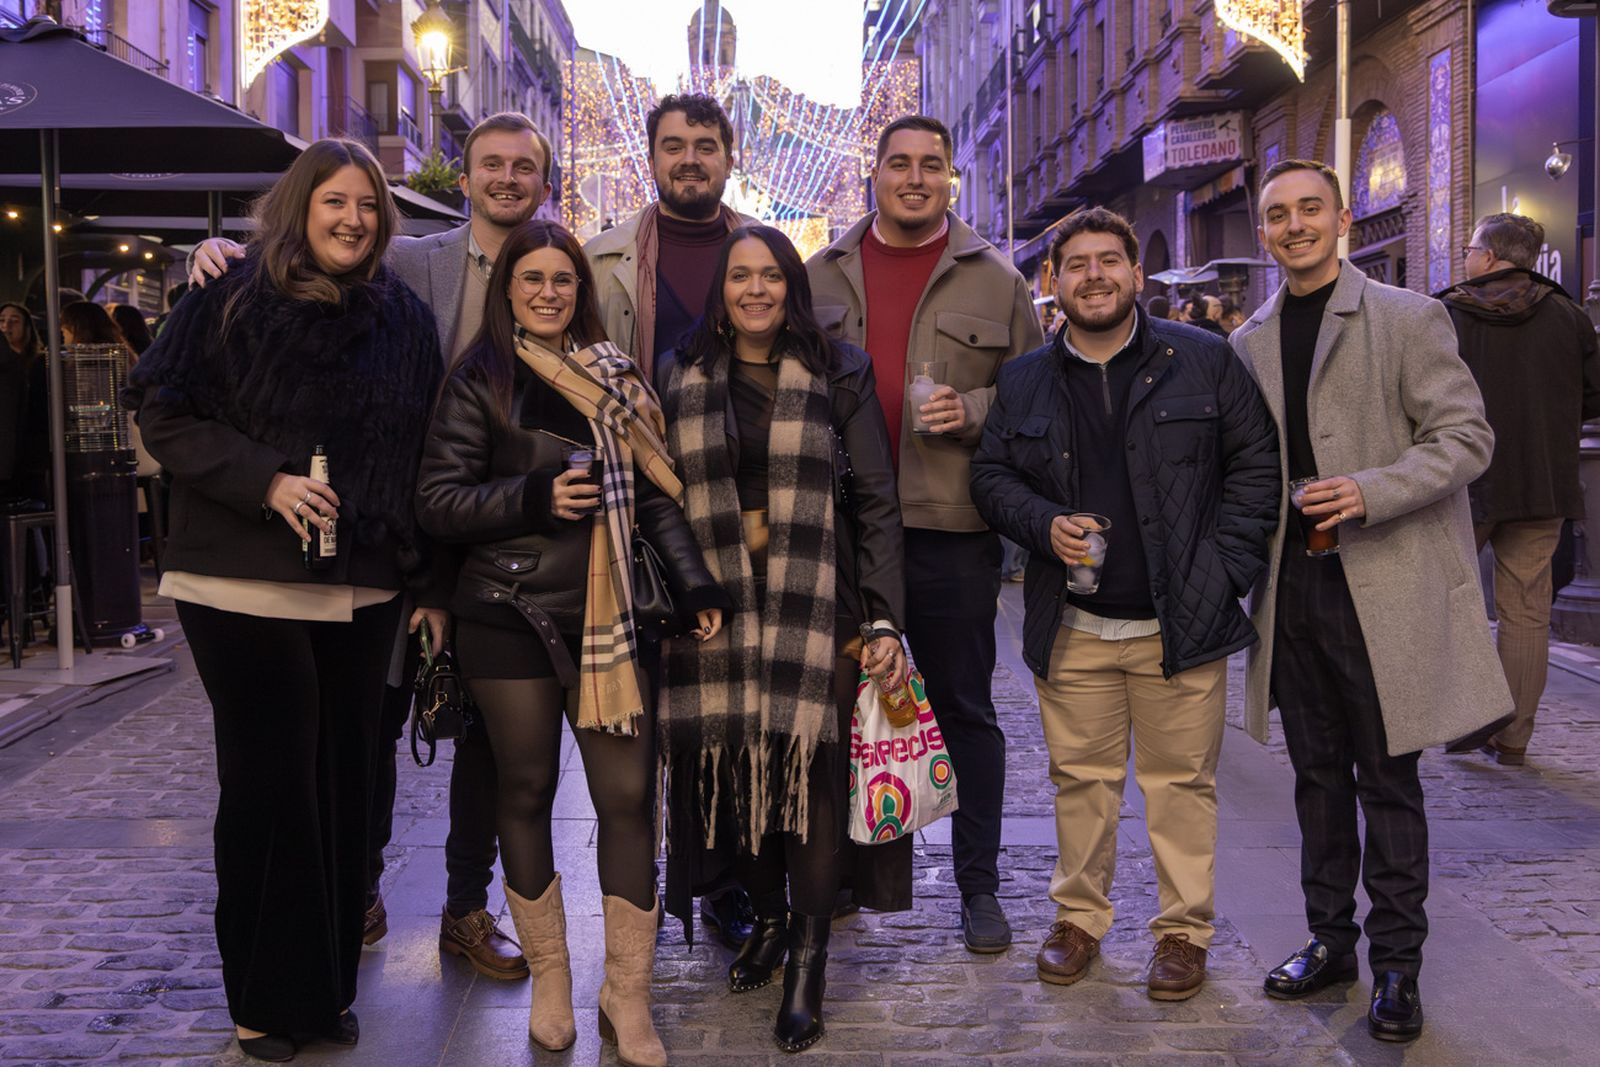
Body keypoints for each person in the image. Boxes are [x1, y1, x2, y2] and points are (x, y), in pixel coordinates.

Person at [189, 111, 559, 981]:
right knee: (374, 724)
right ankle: (356, 890)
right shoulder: (406, 261)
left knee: (490, 739)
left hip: (508, 542)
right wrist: (218, 258)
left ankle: (465, 907)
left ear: (545, 183)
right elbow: (302, 264)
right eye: (491, 164)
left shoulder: (558, 268)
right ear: (464, 178)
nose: (508, 179)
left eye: (525, 167)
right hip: (392, 536)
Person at [124, 138, 447, 1063]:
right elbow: (164, 412)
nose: (353, 219)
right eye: (335, 202)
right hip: (240, 578)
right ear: (300, 206)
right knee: (273, 787)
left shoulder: (403, 318)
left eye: (368, 207)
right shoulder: (226, 295)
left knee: (348, 786)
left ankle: (323, 989)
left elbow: (424, 452)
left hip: (365, 583)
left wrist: (424, 582)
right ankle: (263, 998)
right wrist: (266, 479)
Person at [417, 218, 725, 1067]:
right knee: (523, 787)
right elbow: (437, 501)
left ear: (580, 291)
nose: (548, 292)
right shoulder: (478, 378)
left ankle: (627, 992)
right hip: (507, 612)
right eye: (532, 279)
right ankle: (552, 977)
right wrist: (532, 497)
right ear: (507, 288)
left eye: (563, 279)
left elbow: (658, 496)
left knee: (627, 797)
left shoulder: (616, 377)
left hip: (615, 617)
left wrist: (694, 581)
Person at [1231, 159, 1511, 1043]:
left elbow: (1467, 437)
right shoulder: (1249, 340)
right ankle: (1328, 941)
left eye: (1311, 208)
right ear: (1264, 230)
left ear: (1343, 219)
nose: (1295, 225)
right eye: (1278, 214)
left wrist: (1371, 488)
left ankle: (1397, 966)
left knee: (1387, 781)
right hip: (1294, 592)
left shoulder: (1407, 316)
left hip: (1383, 581)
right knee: (1315, 780)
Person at [971, 207, 1279, 1001]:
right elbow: (992, 478)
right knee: (1081, 780)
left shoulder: (1205, 360)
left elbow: (1256, 469)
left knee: (1180, 785)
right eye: (1077, 263)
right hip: (1073, 625)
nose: (1096, 275)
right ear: (1055, 281)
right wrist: (1043, 524)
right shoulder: (1025, 379)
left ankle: (1183, 933)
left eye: (1111, 260)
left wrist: (1224, 571)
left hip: (1180, 620)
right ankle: (1079, 918)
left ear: (1136, 275)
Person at [658, 224, 909, 1053]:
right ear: (720, 291)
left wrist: (880, 617)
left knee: (808, 776)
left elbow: (873, 498)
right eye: (741, 277)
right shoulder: (684, 372)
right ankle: (765, 915)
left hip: (818, 606)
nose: (756, 289)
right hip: (717, 609)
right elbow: (664, 500)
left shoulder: (839, 370)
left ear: (791, 288)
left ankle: (807, 959)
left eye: (772, 276)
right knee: (738, 770)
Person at [807, 115, 1043, 952]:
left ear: (950, 177)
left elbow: (1036, 400)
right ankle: (838, 875)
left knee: (962, 706)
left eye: (931, 165)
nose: (914, 177)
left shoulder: (996, 279)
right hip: (840, 533)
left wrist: (974, 410)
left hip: (949, 529)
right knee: (844, 708)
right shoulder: (821, 273)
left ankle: (977, 885)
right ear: (872, 172)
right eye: (898, 163)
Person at [583, 91, 759, 948]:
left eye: (705, 145)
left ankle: (722, 880)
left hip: (734, 518)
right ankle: (642, 879)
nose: (690, 158)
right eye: (674, 145)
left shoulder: (760, 255)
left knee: (719, 710)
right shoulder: (603, 258)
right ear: (649, 158)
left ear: (731, 155)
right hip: (629, 518)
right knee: (643, 709)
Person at [1438, 213, 1600, 765]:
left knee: (1438, 600)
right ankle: (1513, 739)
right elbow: (1594, 400)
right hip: (1543, 484)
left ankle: (1455, 713)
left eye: (1469, 248)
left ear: (1486, 256)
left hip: (1463, 482)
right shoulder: (1570, 317)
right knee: (1526, 613)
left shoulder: (1447, 314)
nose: (1466, 256)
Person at [0, 302, 47, 502]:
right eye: (2, 320)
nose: (6, 326)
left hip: (31, 447)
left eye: (14, 321)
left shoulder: (39, 363)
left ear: (27, 327)